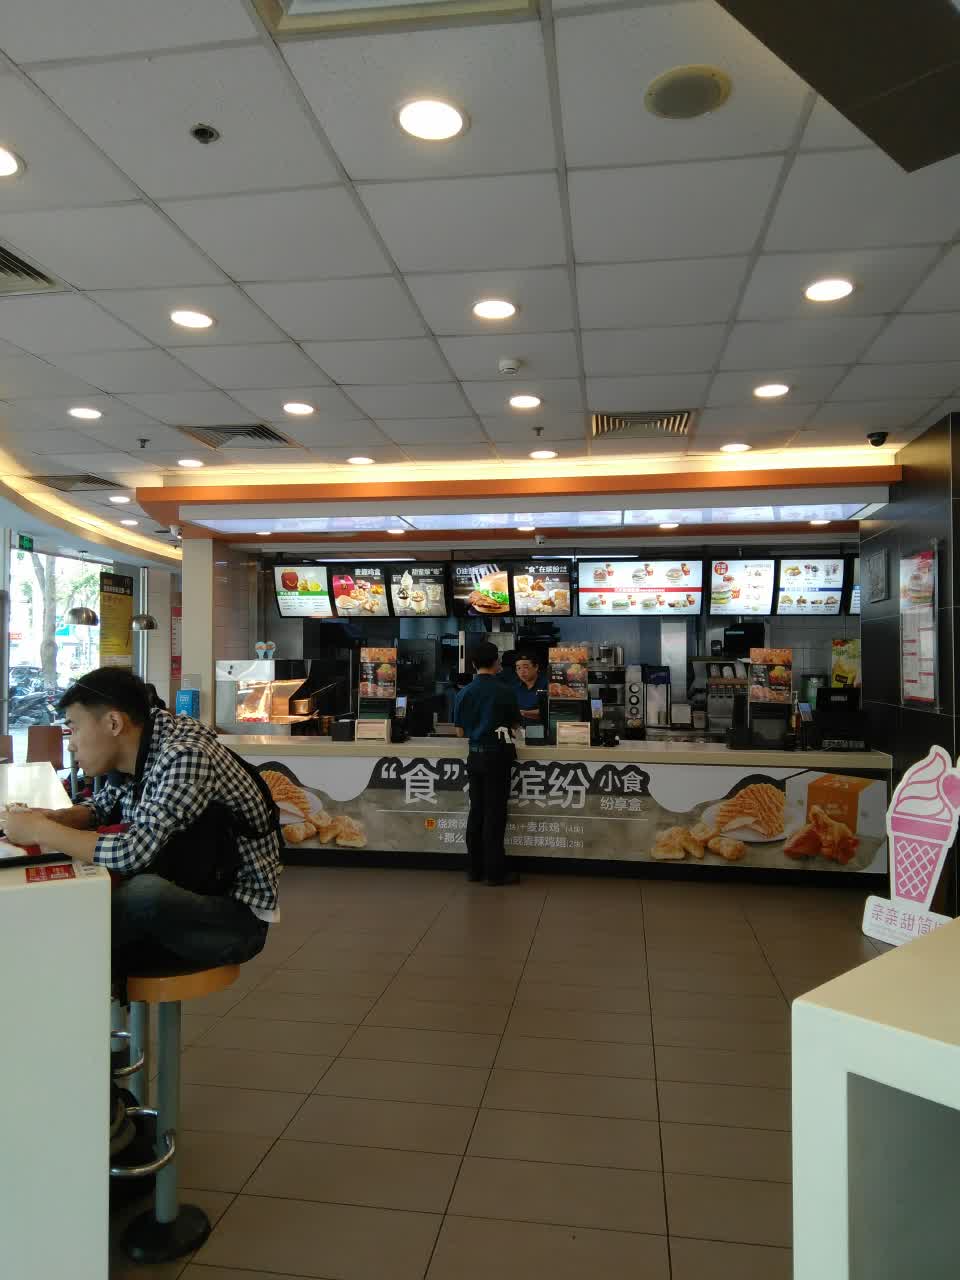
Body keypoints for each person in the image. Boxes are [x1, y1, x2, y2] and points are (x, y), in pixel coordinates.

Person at [3, 667, 281, 973]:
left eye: (74, 728)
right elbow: (102, 806)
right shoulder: (144, 741)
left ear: (113, 723)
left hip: (231, 920)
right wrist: (56, 817)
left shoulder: (185, 756)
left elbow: (132, 853)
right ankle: (53, 960)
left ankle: (48, 964)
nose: (70, 744)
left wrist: (41, 829)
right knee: (86, 898)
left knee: (142, 895)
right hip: (187, 882)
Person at [453, 641, 521, 885]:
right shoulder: (505, 691)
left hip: (475, 757)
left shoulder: (464, 692)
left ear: (473, 664)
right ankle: (494, 873)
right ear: (497, 663)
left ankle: (474, 870)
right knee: (495, 814)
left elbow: (460, 732)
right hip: (498, 756)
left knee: (477, 812)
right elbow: (515, 726)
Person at [510, 651, 549, 723]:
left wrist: (523, 713)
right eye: (518, 668)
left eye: (526, 667)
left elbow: (550, 710)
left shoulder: (547, 685)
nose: (522, 671)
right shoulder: (515, 688)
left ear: (536, 667)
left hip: (541, 727)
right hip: (520, 728)